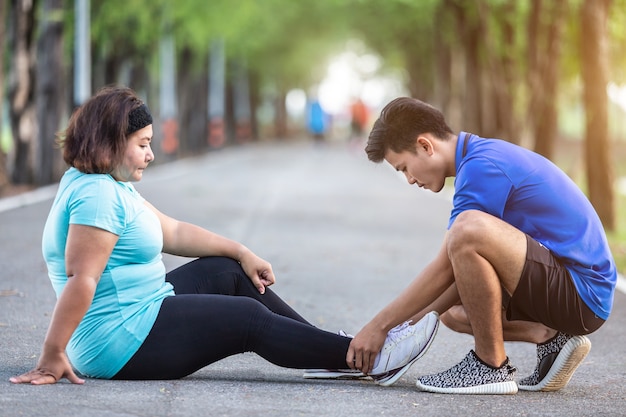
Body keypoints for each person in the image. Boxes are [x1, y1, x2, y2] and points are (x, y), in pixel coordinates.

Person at [9, 86, 439, 386]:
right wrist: (52, 353)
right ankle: (368, 359)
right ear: (109, 141)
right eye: (142, 143)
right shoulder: (97, 196)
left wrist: (241, 251)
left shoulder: (107, 185)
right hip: (117, 342)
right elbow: (81, 279)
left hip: (141, 309)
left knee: (230, 272)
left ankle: (334, 352)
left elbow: (173, 231)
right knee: (246, 322)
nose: (151, 153)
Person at [345, 97, 617, 394]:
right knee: (449, 311)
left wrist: (378, 327)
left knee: (466, 231)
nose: (409, 179)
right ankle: (549, 335)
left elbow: (444, 266)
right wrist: (400, 330)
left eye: (404, 168)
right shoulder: (476, 158)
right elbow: (453, 272)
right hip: (567, 289)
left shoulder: (482, 165)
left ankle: (489, 365)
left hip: (582, 292)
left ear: (425, 146)